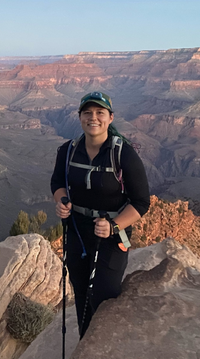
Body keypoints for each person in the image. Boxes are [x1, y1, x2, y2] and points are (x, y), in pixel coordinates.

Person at [51, 91, 150, 338]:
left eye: (99, 113)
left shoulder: (123, 154)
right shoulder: (68, 151)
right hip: (77, 232)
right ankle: (87, 344)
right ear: (80, 116)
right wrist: (62, 201)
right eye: (87, 113)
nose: (93, 118)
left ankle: (105, 344)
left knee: (104, 296)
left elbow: (141, 202)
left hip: (111, 236)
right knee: (82, 292)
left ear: (110, 117)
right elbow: (57, 182)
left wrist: (114, 226)